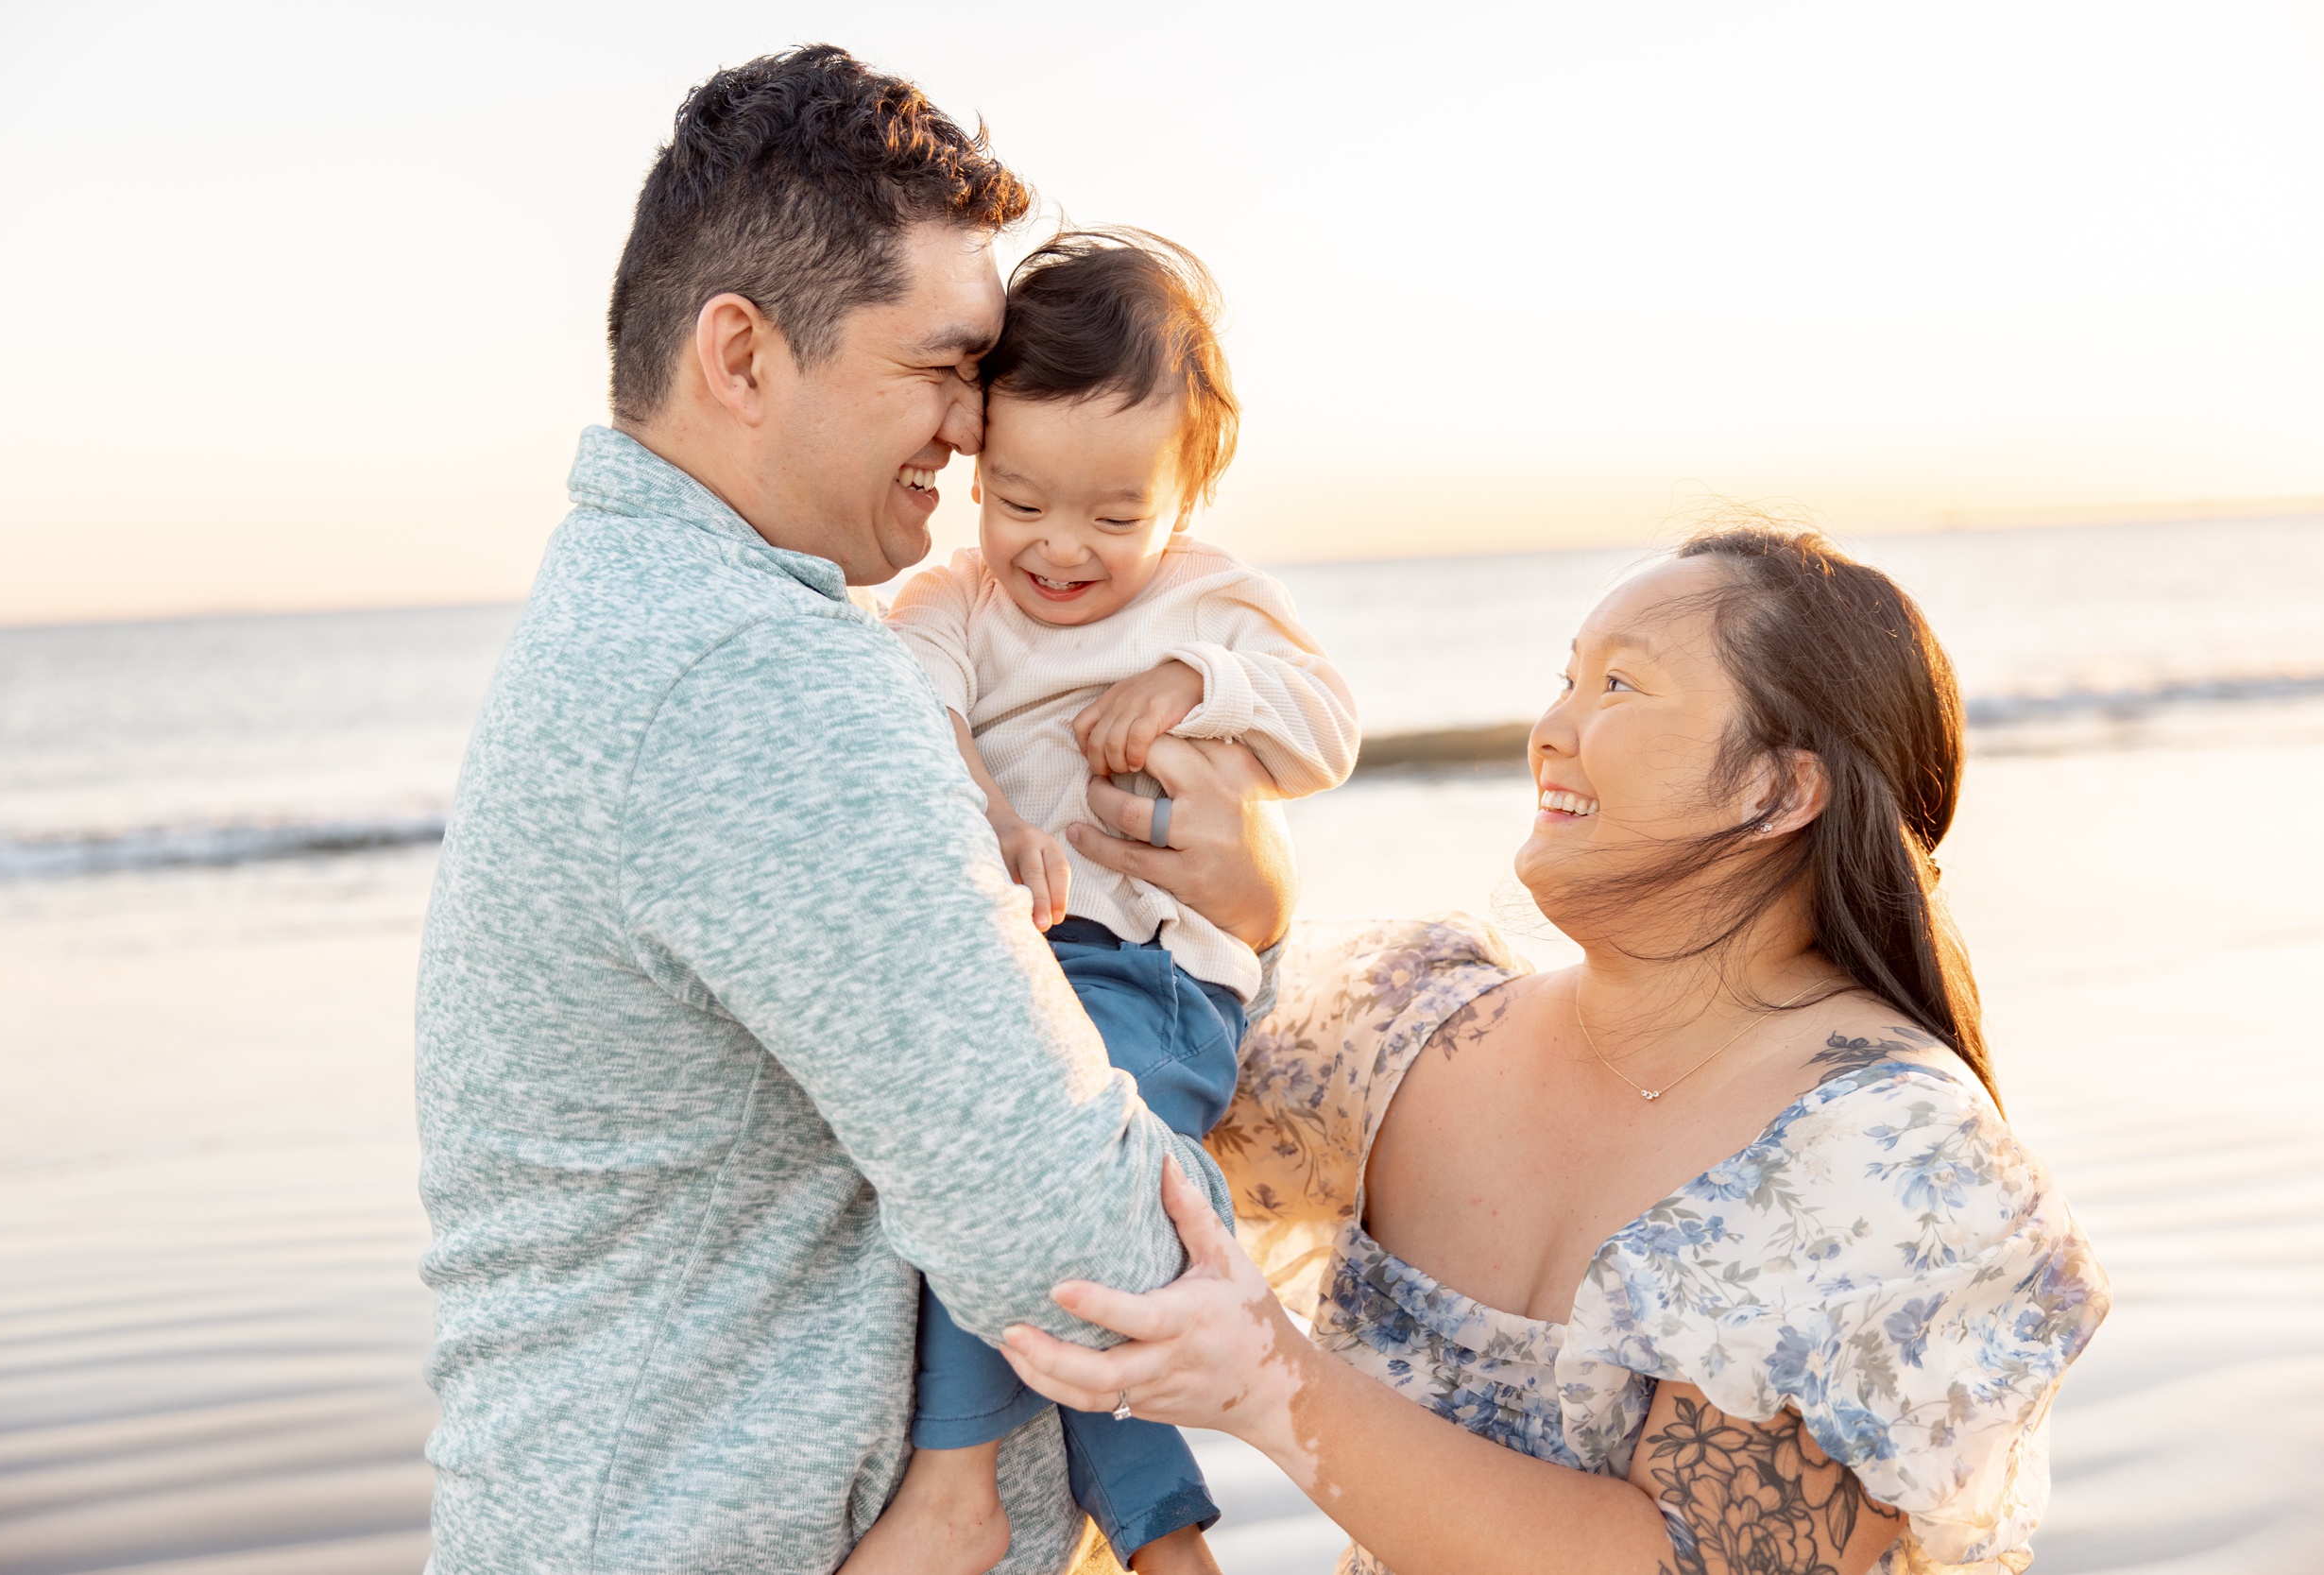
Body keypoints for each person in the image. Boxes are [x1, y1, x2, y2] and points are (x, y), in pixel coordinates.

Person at [413, 47, 1294, 1575]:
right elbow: (1074, 1228)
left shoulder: (642, 610)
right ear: (742, 358)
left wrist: (1254, 900)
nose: (975, 429)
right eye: (943, 364)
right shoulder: (752, 677)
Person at [1000, 525, 2112, 1575]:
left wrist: (1269, 1381)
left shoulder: (1897, 1161)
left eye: (1619, 685)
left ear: (1779, 786)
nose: (1552, 728)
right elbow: (1089, 1138)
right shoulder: (1408, 1028)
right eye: (1564, 677)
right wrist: (1242, 919)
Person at [857, 231, 1358, 1575]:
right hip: (1019, 966)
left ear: (1187, 489)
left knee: (1052, 1187)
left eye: (1114, 515)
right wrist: (1004, 816)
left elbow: (1329, 729)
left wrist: (1202, 681)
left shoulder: (1210, 599)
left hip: (1157, 977)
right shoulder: (954, 599)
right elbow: (903, 701)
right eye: (1020, 502)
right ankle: (1163, 1533)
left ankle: (962, 1480)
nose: (1061, 549)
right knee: (1031, 1212)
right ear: (975, 469)